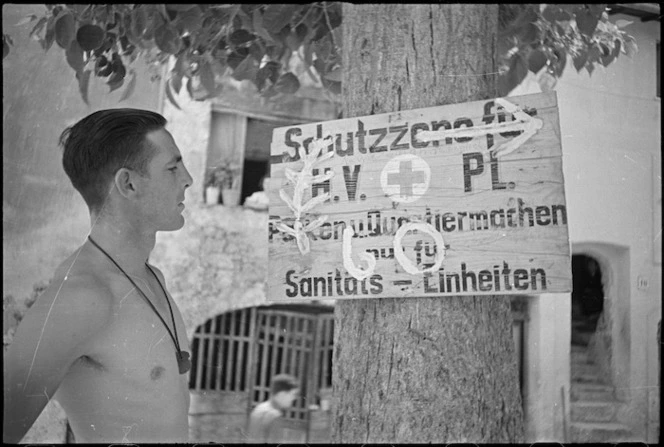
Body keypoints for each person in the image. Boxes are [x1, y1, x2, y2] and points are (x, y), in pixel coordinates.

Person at [3, 109, 194, 444]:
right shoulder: (82, 297)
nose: (188, 179)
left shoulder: (152, 279)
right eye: (172, 168)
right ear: (128, 183)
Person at [246, 373, 300, 442]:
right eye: (293, 394)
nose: (294, 398)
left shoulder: (259, 408)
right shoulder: (274, 415)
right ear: (282, 394)